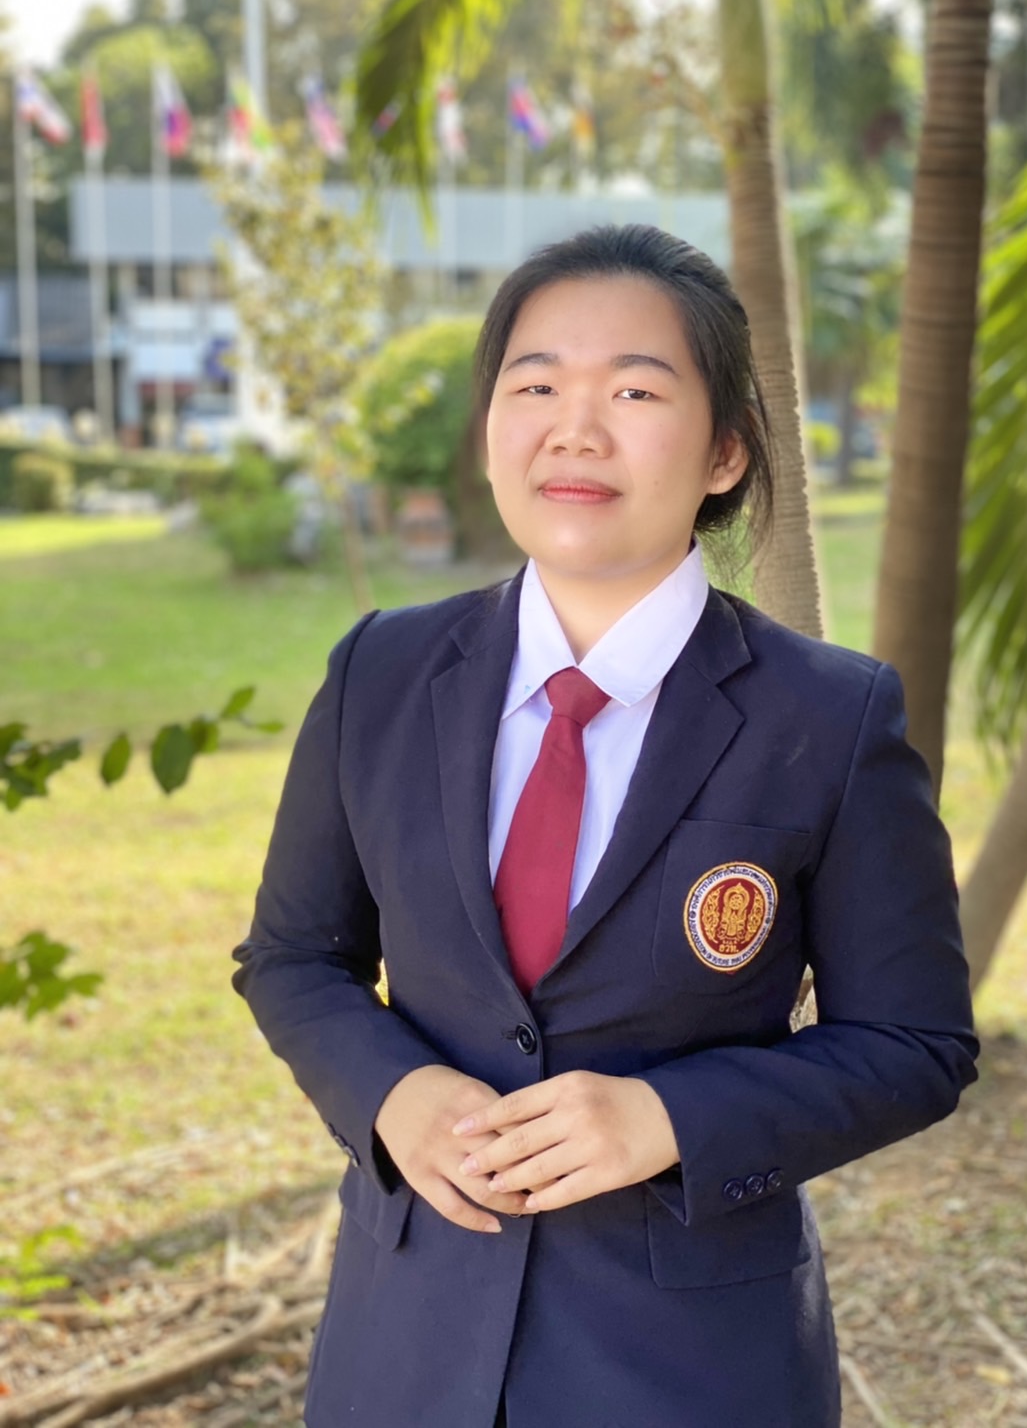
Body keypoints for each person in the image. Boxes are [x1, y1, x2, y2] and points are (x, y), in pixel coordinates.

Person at [231, 224, 978, 1428]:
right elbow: (290, 955)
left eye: (634, 390)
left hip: (690, 1366)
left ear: (726, 449)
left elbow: (914, 1040)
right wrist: (392, 1091)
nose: (573, 429)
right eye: (534, 386)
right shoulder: (381, 670)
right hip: (404, 1347)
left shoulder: (828, 716)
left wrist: (666, 1118)